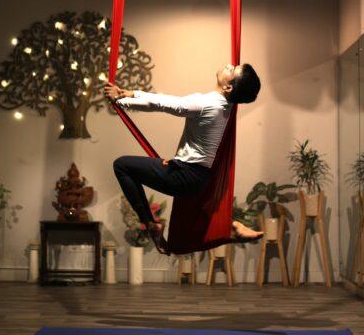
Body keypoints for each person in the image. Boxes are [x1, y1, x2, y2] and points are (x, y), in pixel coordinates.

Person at [105, 63, 263, 255]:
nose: (229, 65)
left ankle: (150, 224)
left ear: (228, 87)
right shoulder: (225, 104)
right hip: (196, 176)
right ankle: (231, 227)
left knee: (122, 166)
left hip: (186, 176)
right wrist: (130, 93)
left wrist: (120, 101)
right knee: (192, 226)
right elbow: (164, 100)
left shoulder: (207, 104)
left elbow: (162, 104)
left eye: (232, 70)